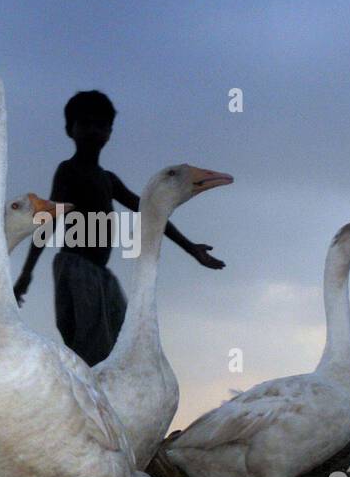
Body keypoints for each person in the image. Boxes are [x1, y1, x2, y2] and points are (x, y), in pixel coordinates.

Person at [14, 90, 225, 365]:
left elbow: (151, 211)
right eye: (85, 123)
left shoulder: (108, 180)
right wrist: (26, 274)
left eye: (101, 125)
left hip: (102, 276)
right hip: (76, 269)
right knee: (90, 351)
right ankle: (86, 402)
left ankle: (108, 402)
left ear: (110, 132)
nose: (93, 131)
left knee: (118, 349)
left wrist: (191, 248)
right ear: (70, 129)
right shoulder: (69, 171)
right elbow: (47, 222)